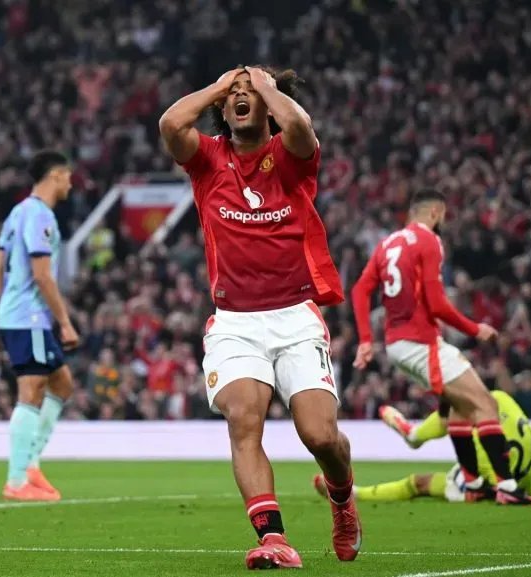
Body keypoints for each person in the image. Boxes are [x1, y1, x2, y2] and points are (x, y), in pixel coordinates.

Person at [159, 66, 361, 569]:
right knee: (243, 420)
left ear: (270, 104)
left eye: (250, 95)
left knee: (319, 436)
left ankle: (342, 498)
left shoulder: (290, 157)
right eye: (234, 97)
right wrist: (221, 85)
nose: (240, 99)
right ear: (223, 110)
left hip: (294, 316)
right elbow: (169, 124)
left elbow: (301, 128)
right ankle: (273, 538)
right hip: (234, 322)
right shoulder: (208, 160)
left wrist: (266, 87)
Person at [350, 189, 531, 506]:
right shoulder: (429, 241)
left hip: (396, 344)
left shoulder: (387, 244)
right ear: (434, 213)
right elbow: (437, 303)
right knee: (485, 403)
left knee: (460, 407)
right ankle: (507, 486)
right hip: (420, 342)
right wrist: (475, 329)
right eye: (442, 216)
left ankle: (473, 482)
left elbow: (360, 290)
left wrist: (364, 340)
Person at [0, 150, 78, 502]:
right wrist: (65, 323)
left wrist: (6, 307)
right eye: (68, 176)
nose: (71, 183)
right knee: (32, 390)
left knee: (62, 383)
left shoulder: (16, 213)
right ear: (56, 175)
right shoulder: (40, 216)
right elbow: (42, 275)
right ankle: (16, 479)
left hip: (17, 314)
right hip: (29, 317)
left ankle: (30, 465)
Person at [312, 391, 531, 503]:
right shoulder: (500, 396)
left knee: (418, 482)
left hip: (490, 483)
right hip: (526, 479)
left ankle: (355, 493)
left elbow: (413, 437)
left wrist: (392, 417)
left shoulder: (458, 404)